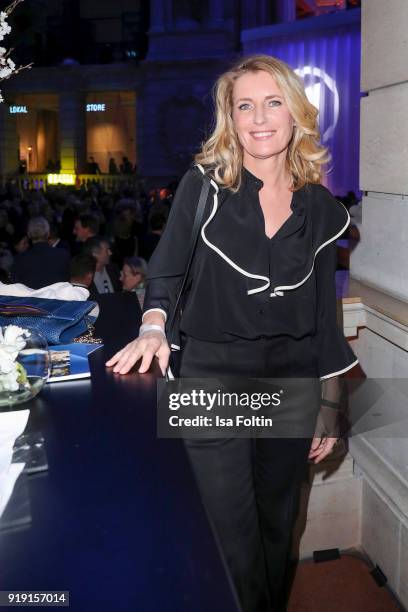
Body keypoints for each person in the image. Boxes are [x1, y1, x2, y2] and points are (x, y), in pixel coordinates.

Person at [106, 55, 359, 612]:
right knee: (227, 539)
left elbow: (323, 314)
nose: (259, 117)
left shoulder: (319, 207)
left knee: (279, 528)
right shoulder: (204, 186)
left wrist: (330, 402)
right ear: (231, 118)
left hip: (291, 382)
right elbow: (166, 270)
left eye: (273, 103)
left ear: (296, 115)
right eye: (245, 105)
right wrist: (153, 324)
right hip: (209, 378)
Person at [11, 216, 70, 288]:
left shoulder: (19, 259)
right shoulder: (63, 255)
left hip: (30, 299)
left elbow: (16, 286)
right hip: (56, 298)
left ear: (29, 234)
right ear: (48, 233)